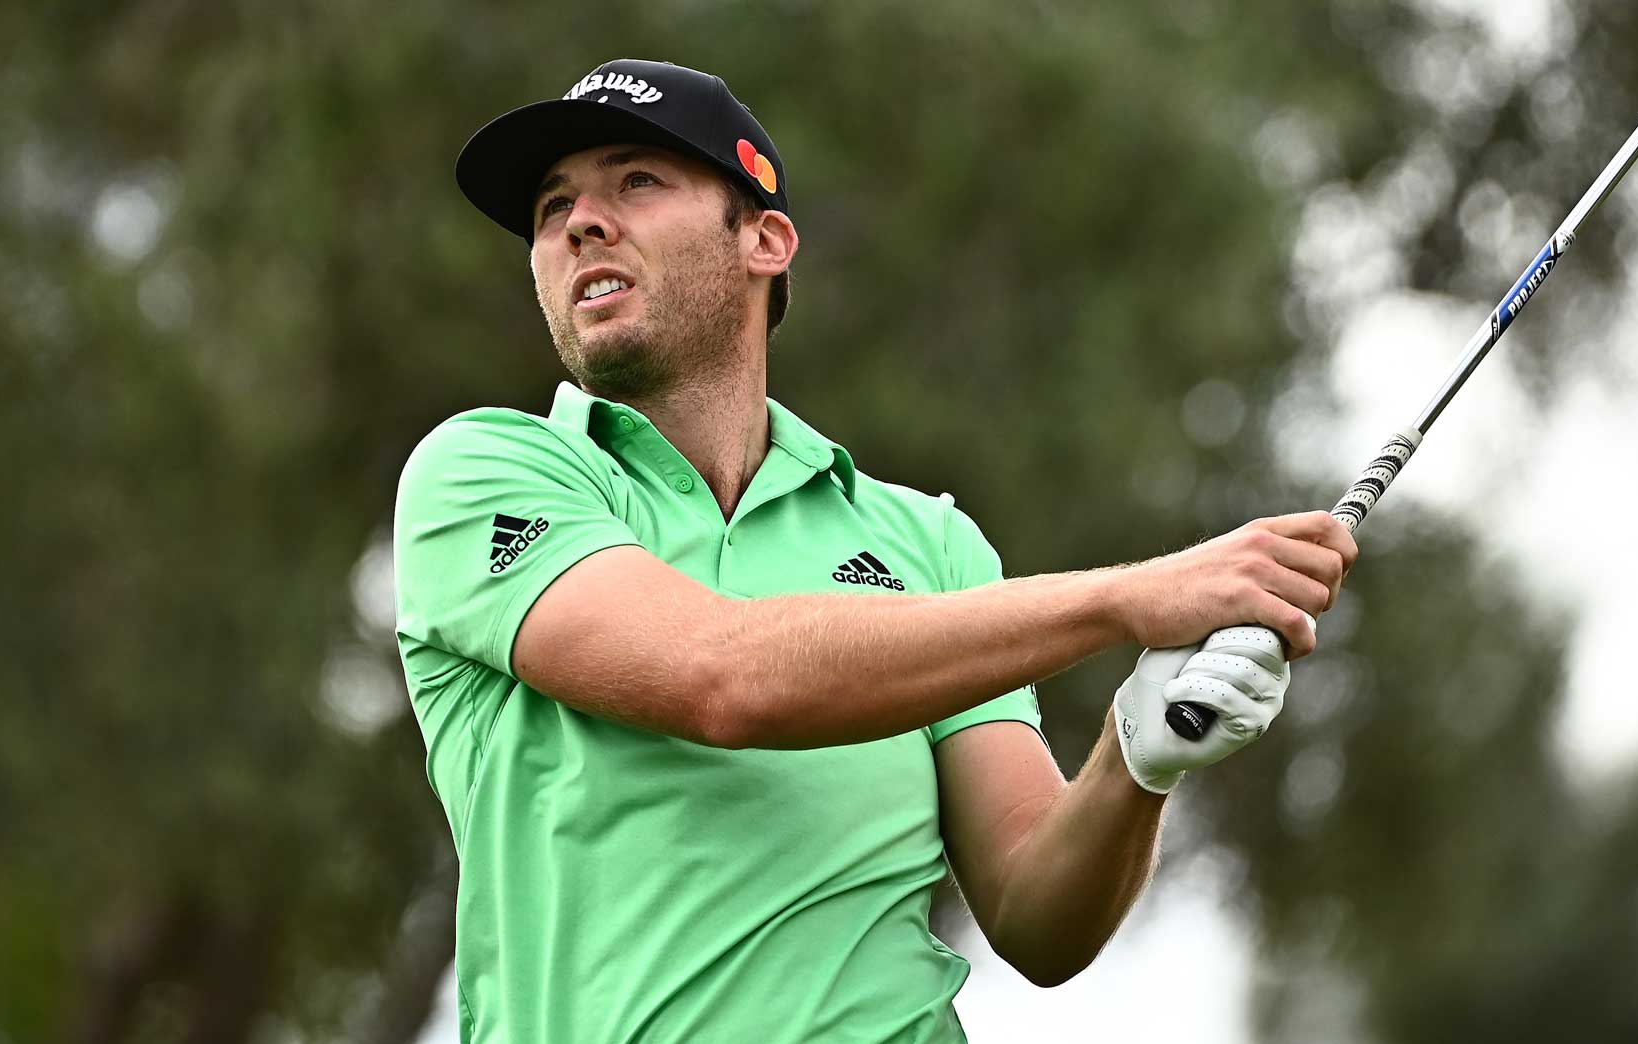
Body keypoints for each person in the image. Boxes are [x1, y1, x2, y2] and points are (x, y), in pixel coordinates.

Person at [395, 58, 1356, 1044]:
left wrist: (1134, 758)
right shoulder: (481, 472)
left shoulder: (925, 543)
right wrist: (1126, 599)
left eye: (635, 180)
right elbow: (719, 676)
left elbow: (1036, 919)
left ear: (764, 240)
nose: (578, 223)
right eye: (553, 207)